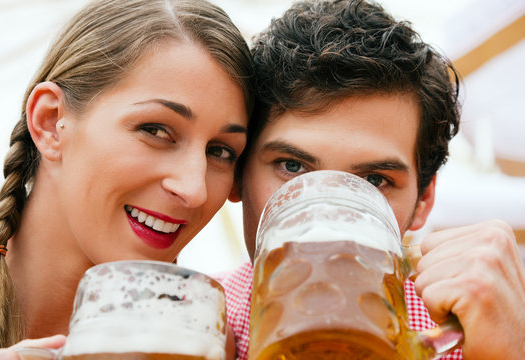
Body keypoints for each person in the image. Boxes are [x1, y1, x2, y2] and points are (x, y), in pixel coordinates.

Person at [218, 0, 525, 359]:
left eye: (374, 180)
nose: (329, 220)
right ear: (237, 176)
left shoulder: (482, 336)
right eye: (293, 167)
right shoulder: (182, 330)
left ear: (422, 201)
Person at [0, 0, 254, 355]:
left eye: (220, 151)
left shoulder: (211, 340)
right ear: (50, 122)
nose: (194, 189)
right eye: (156, 130)